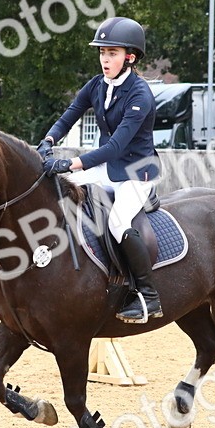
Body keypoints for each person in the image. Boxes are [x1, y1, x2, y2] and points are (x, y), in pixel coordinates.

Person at [37, 16, 162, 323]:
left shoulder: (140, 94)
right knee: (58, 191)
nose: (105, 59)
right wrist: (48, 140)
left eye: (112, 53)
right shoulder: (97, 85)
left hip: (136, 173)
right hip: (106, 169)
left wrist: (69, 163)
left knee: (119, 223)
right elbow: (70, 115)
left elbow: (116, 146)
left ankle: (148, 295)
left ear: (129, 57)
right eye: (102, 53)